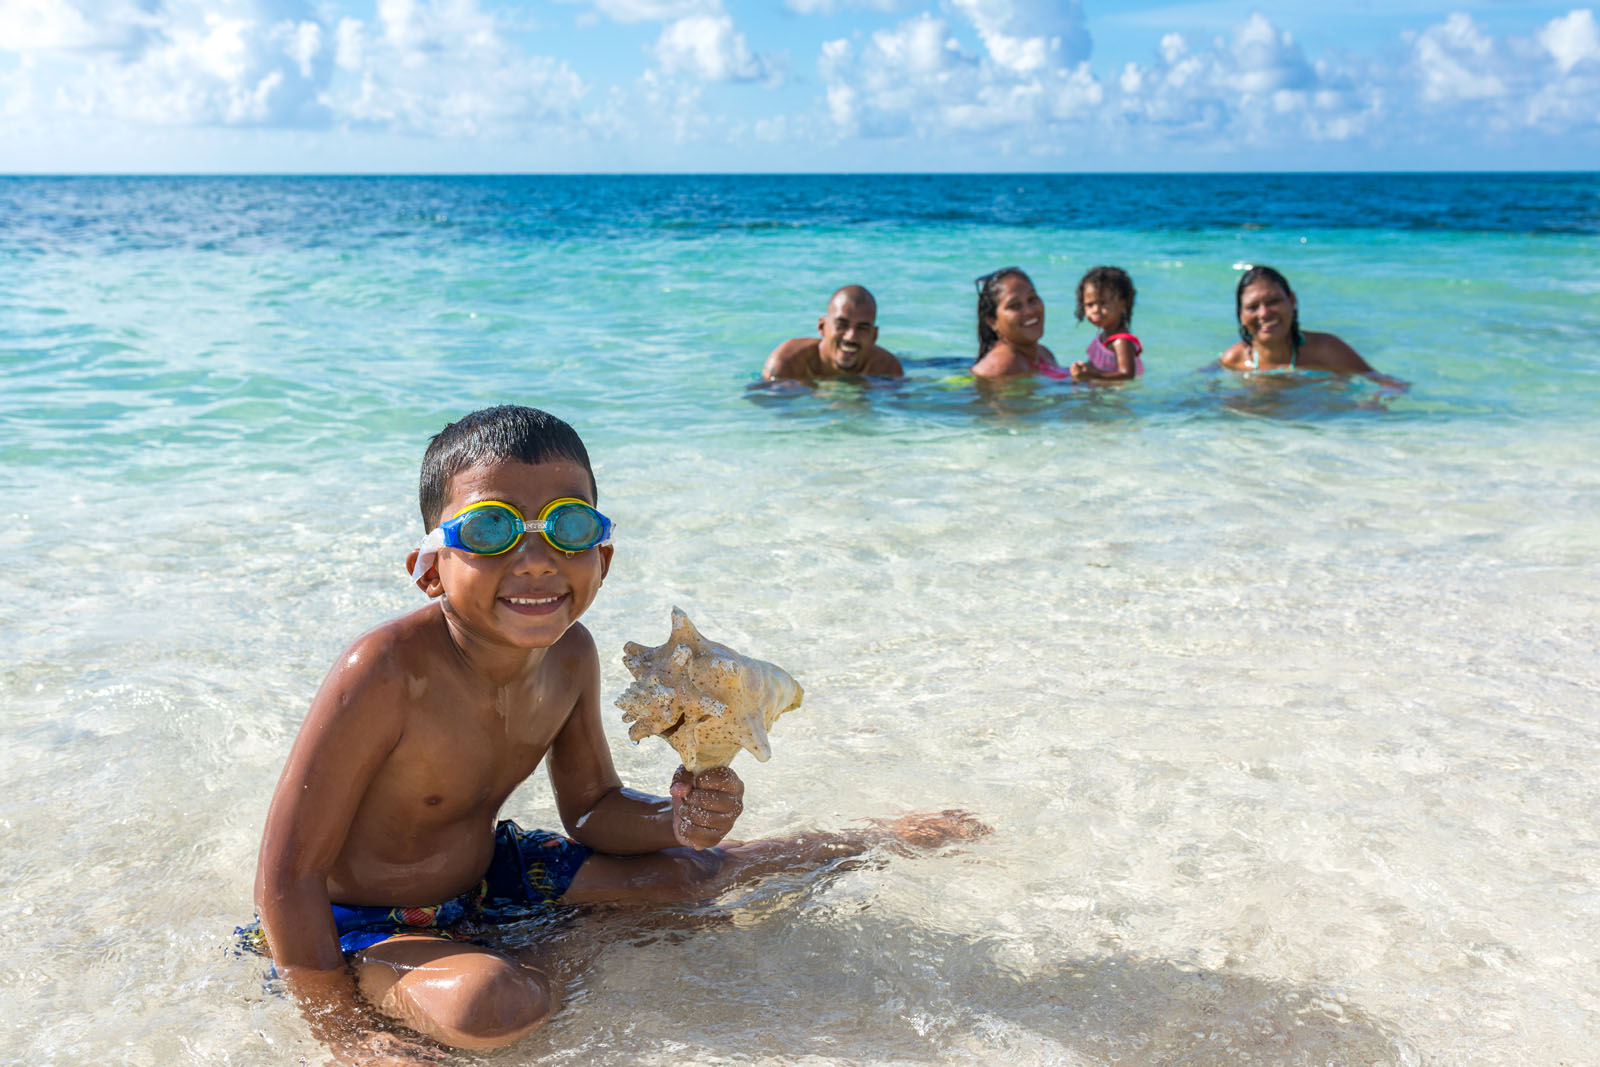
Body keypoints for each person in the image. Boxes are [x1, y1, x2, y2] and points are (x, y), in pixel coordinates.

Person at [247, 405, 983, 1060]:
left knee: (686, 875)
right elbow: (286, 874)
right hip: (364, 919)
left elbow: (592, 808)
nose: (534, 558)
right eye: (491, 528)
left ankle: (858, 839)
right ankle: (555, 945)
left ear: (601, 555)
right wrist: (334, 1024)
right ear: (429, 568)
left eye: (567, 525)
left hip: (488, 878)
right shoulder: (384, 669)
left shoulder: (571, 655)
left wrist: (677, 818)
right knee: (493, 1007)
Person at [1219, 265, 1404, 386]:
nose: (1264, 313)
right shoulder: (1234, 360)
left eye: (1273, 301)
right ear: (1241, 316)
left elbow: (1391, 385)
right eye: (1252, 307)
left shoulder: (1326, 350)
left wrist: (1374, 403)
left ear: (1292, 301)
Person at [761, 285, 902, 379]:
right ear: (822, 327)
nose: (851, 336)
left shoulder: (888, 370)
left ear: (874, 336)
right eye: (842, 325)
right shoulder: (787, 365)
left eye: (862, 328)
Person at [972, 267, 1067, 379]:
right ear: (992, 322)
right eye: (1015, 306)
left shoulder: (1044, 354)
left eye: (1032, 299)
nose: (1029, 311)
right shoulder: (1000, 368)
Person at [1069, 266, 1144, 382]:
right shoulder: (1103, 336)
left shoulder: (1121, 341)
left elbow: (1127, 375)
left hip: (1118, 397)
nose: (1095, 310)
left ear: (1123, 303)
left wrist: (1092, 375)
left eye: (1103, 303)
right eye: (1090, 305)